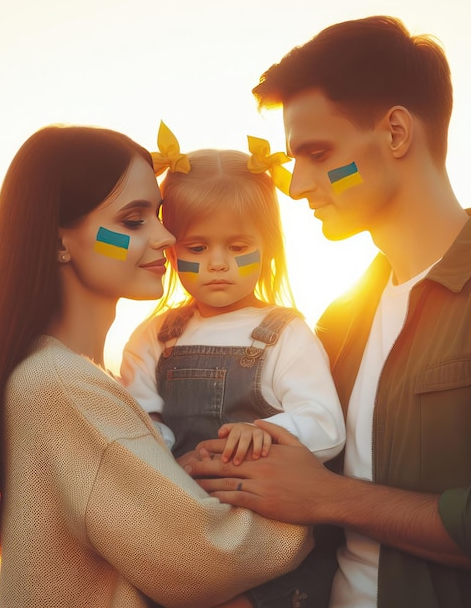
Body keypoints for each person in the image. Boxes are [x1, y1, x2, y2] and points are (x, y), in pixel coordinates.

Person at [185, 15, 471, 607]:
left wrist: (329, 495)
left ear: (395, 133)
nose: (296, 185)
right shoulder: (340, 321)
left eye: (319, 154)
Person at [0, 124, 313, 608]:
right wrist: (317, 507)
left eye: (158, 215)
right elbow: (202, 558)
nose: (167, 237)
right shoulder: (59, 384)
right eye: (133, 220)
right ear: (59, 242)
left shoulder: (77, 376)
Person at [120, 124, 345, 465]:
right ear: (171, 250)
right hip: (177, 503)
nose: (218, 263)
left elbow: (324, 424)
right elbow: (141, 424)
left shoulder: (287, 334)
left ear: (268, 248)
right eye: (197, 247)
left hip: (263, 511)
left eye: (238, 246)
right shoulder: (154, 338)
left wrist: (267, 432)